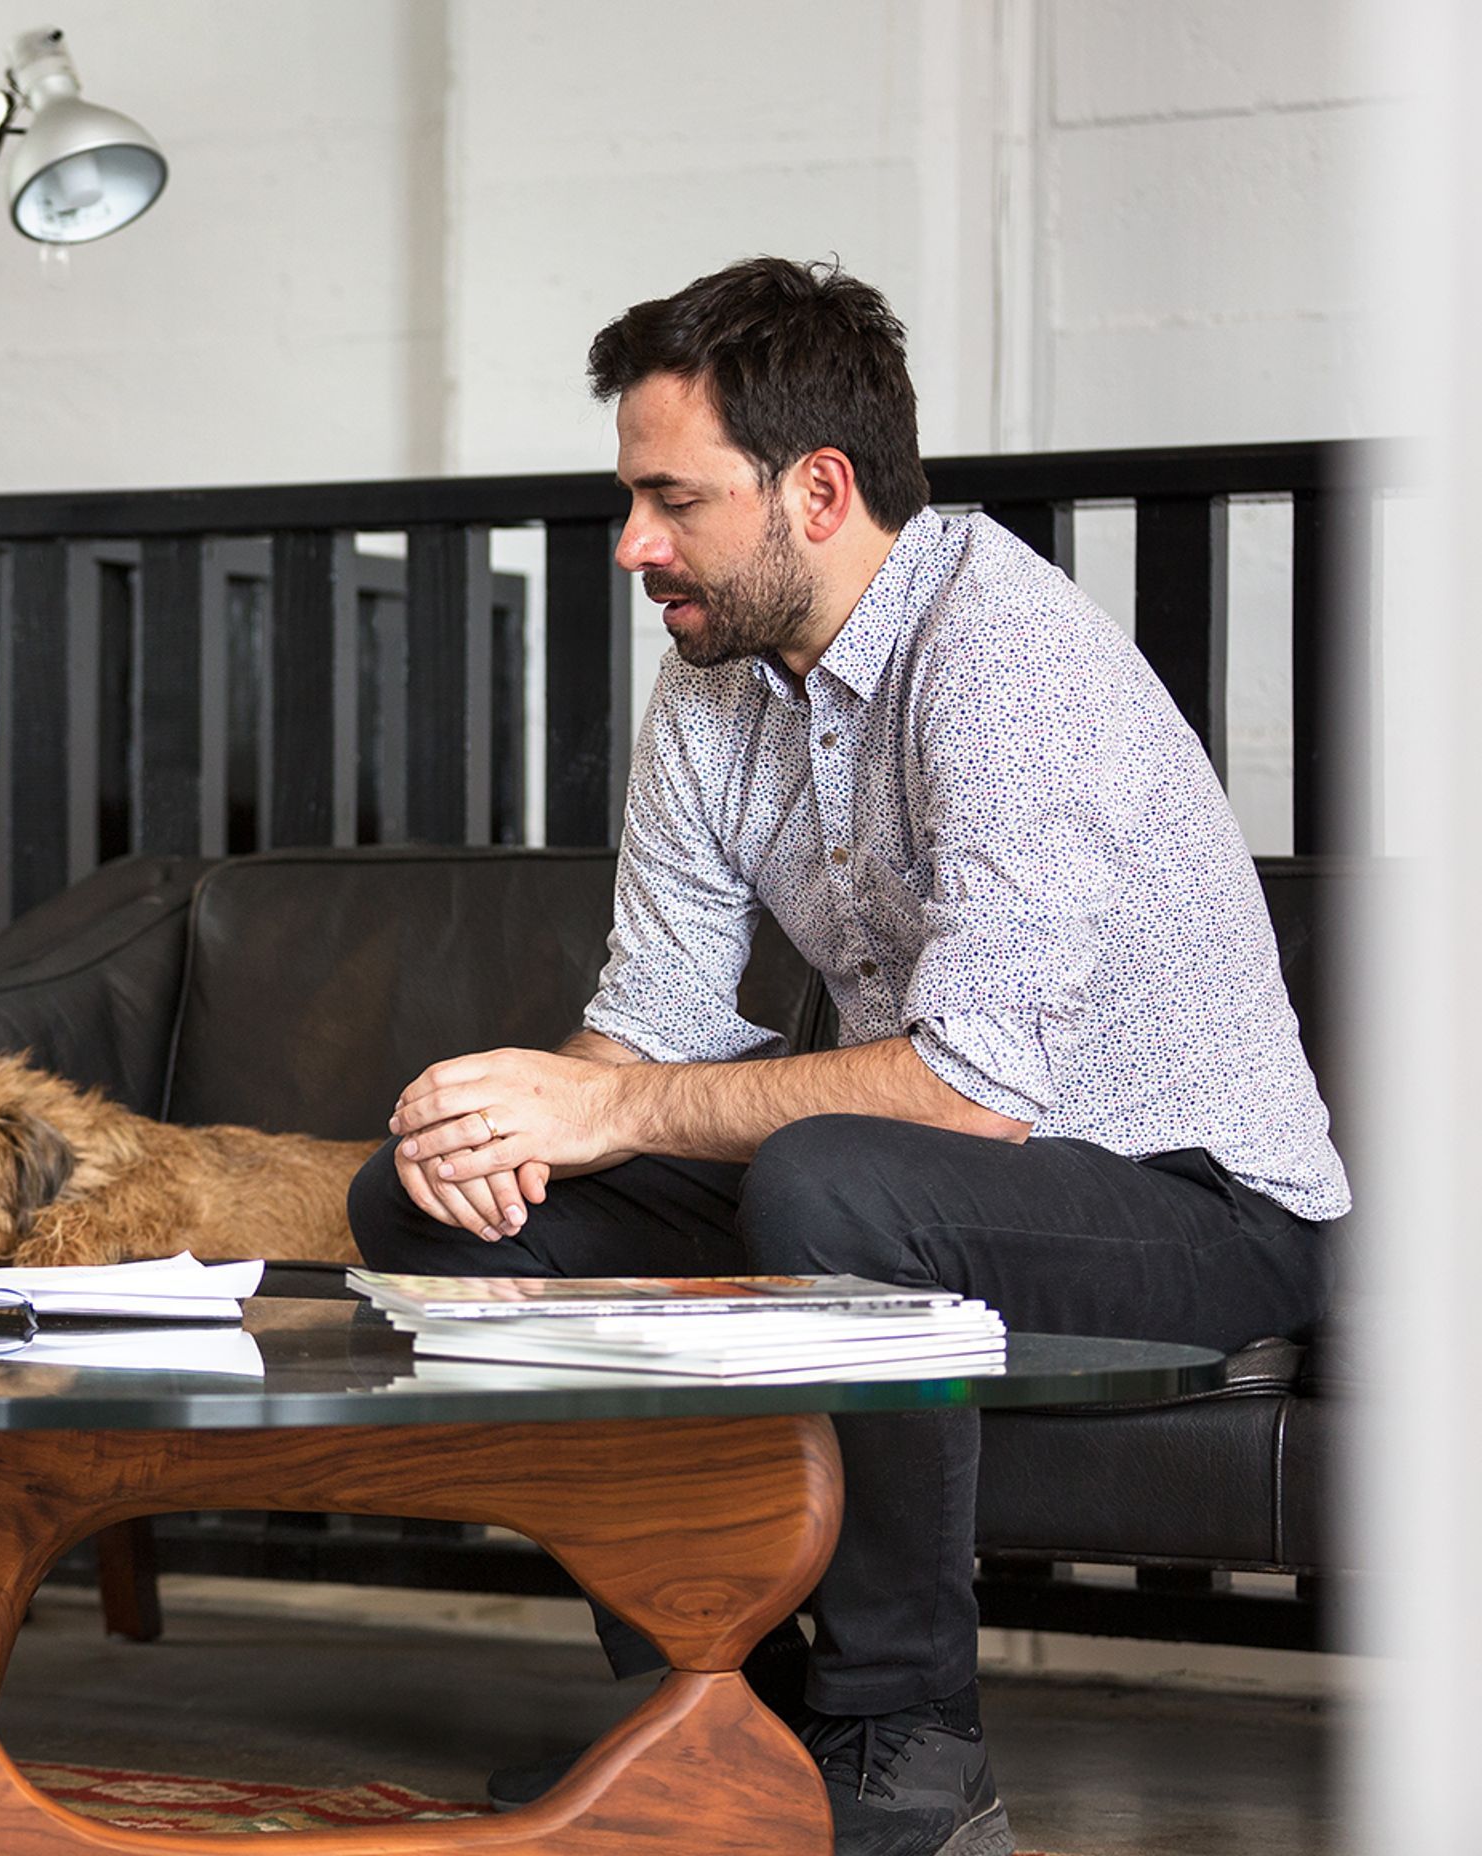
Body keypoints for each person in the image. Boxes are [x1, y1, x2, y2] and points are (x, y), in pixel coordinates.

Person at [345, 257, 1342, 1856]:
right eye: (629, 497)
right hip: (923, 1190)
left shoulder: (1008, 657)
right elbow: (650, 1030)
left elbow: (967, 1094)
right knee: (436, 1210)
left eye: (672, 498)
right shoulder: (709, 687)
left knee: (836, 1186)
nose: (633, 545)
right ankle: (713, 1717)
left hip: (1195, 1206)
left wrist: (611, 1103)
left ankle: (908, 1745)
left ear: (817, 489)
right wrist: (513, 1124)